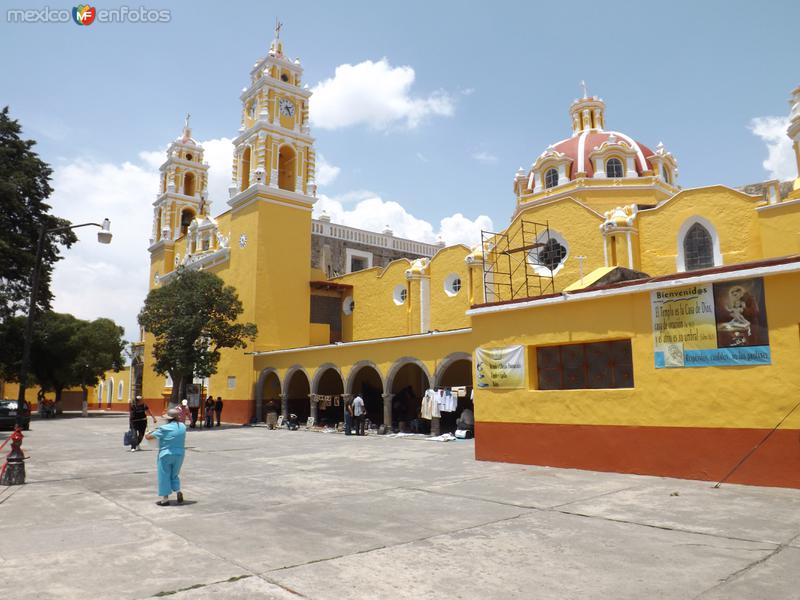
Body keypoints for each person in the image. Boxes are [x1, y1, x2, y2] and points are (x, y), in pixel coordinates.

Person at [145, 407, 186, 506]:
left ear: (168, 418)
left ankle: (165, 499)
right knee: (174, 474)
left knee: (164, 475)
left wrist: (148, 432)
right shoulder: (183, 426)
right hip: (180, 454)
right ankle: (178, 491)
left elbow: (149, 437)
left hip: (166, 454)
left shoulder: (164, 428)